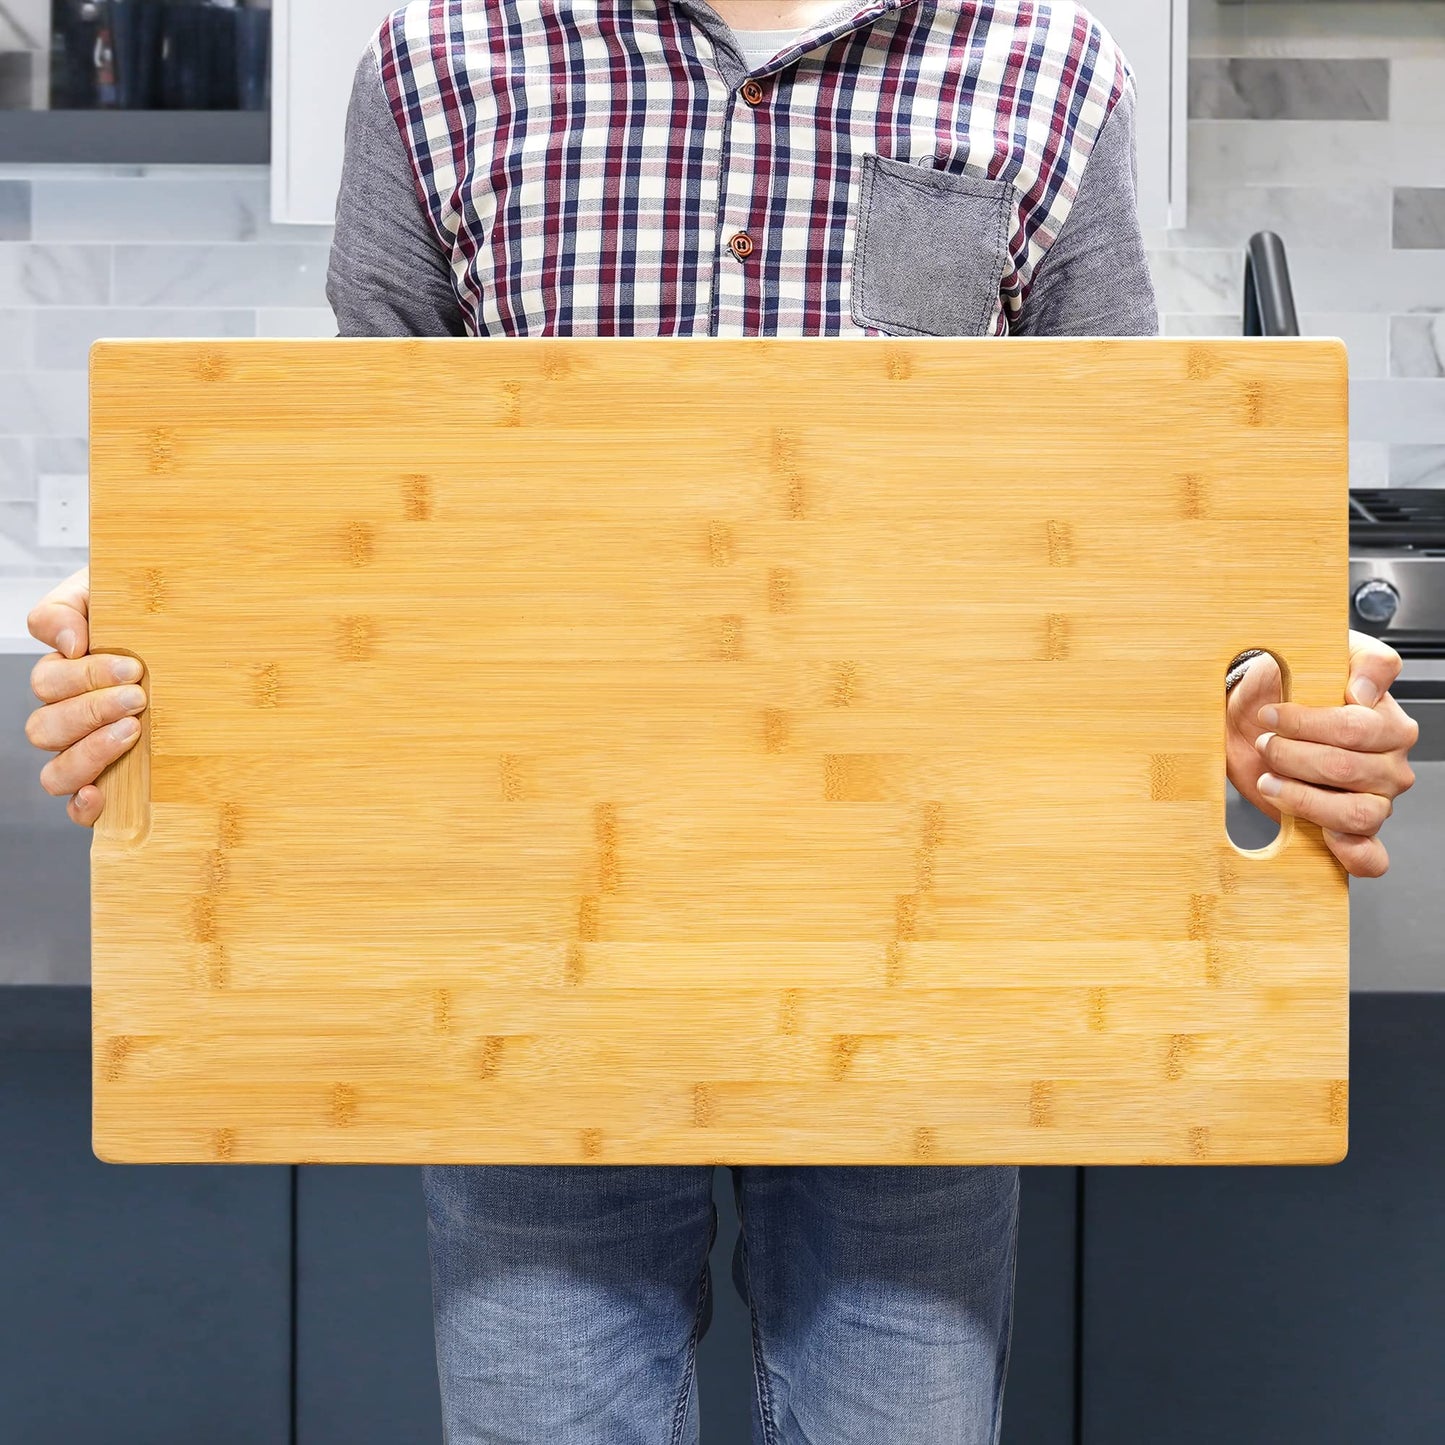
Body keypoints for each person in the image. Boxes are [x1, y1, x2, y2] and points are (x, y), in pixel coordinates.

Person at [25, 2, 1421, 1441]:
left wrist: (1259, 717)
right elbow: (348, 532)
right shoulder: (439, 63)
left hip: (926, 967)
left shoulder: (1045, 65)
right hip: (530, 960)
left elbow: (1128, 526)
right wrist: (158, 648)